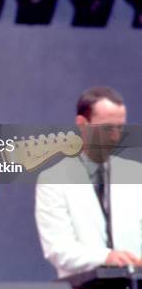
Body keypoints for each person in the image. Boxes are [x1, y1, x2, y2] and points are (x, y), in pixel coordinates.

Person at [35, 86, 142, 278]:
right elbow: (59, 249)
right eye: (107, 128)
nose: (115, 137)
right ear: (82, 124)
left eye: (120, 128)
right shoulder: (53, 180)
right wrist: (108, 257)